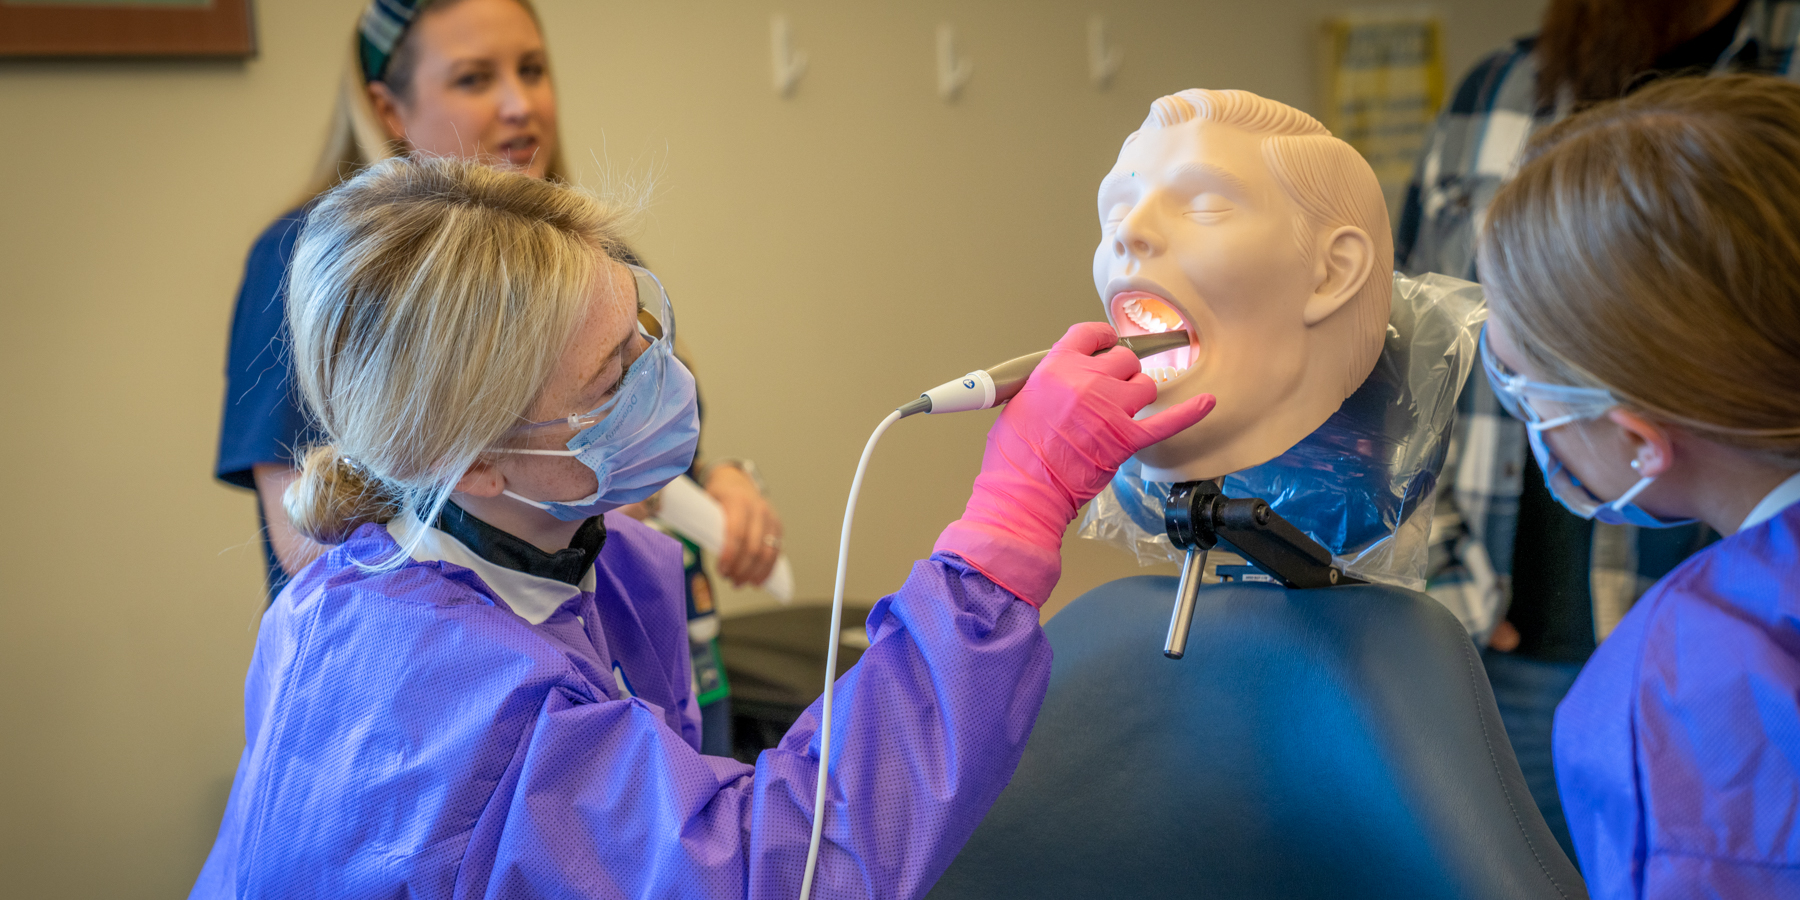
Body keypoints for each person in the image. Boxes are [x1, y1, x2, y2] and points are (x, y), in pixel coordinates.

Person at [188, 156, 1216, 898]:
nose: (665, 379)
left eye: (646, 326)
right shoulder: (460, 708)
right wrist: (1012, 517)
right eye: (613, 376)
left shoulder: (510, 567)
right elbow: (783, 867)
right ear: (478, 461)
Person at [214, 0, 777, 755]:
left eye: (533, 69)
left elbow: (613, 440)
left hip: (627, 680)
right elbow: (312, 540)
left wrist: (720, 486)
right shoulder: (328, 272)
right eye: (476, 78)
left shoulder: (588, 255)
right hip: (456, 722)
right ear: (388, 106)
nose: (520, 105)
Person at [1395, 0, 1800, 856]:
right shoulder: (1490, 94)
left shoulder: (1676, 679)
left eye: (1529, 388)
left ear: (1641, 440)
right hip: (1514, 626)